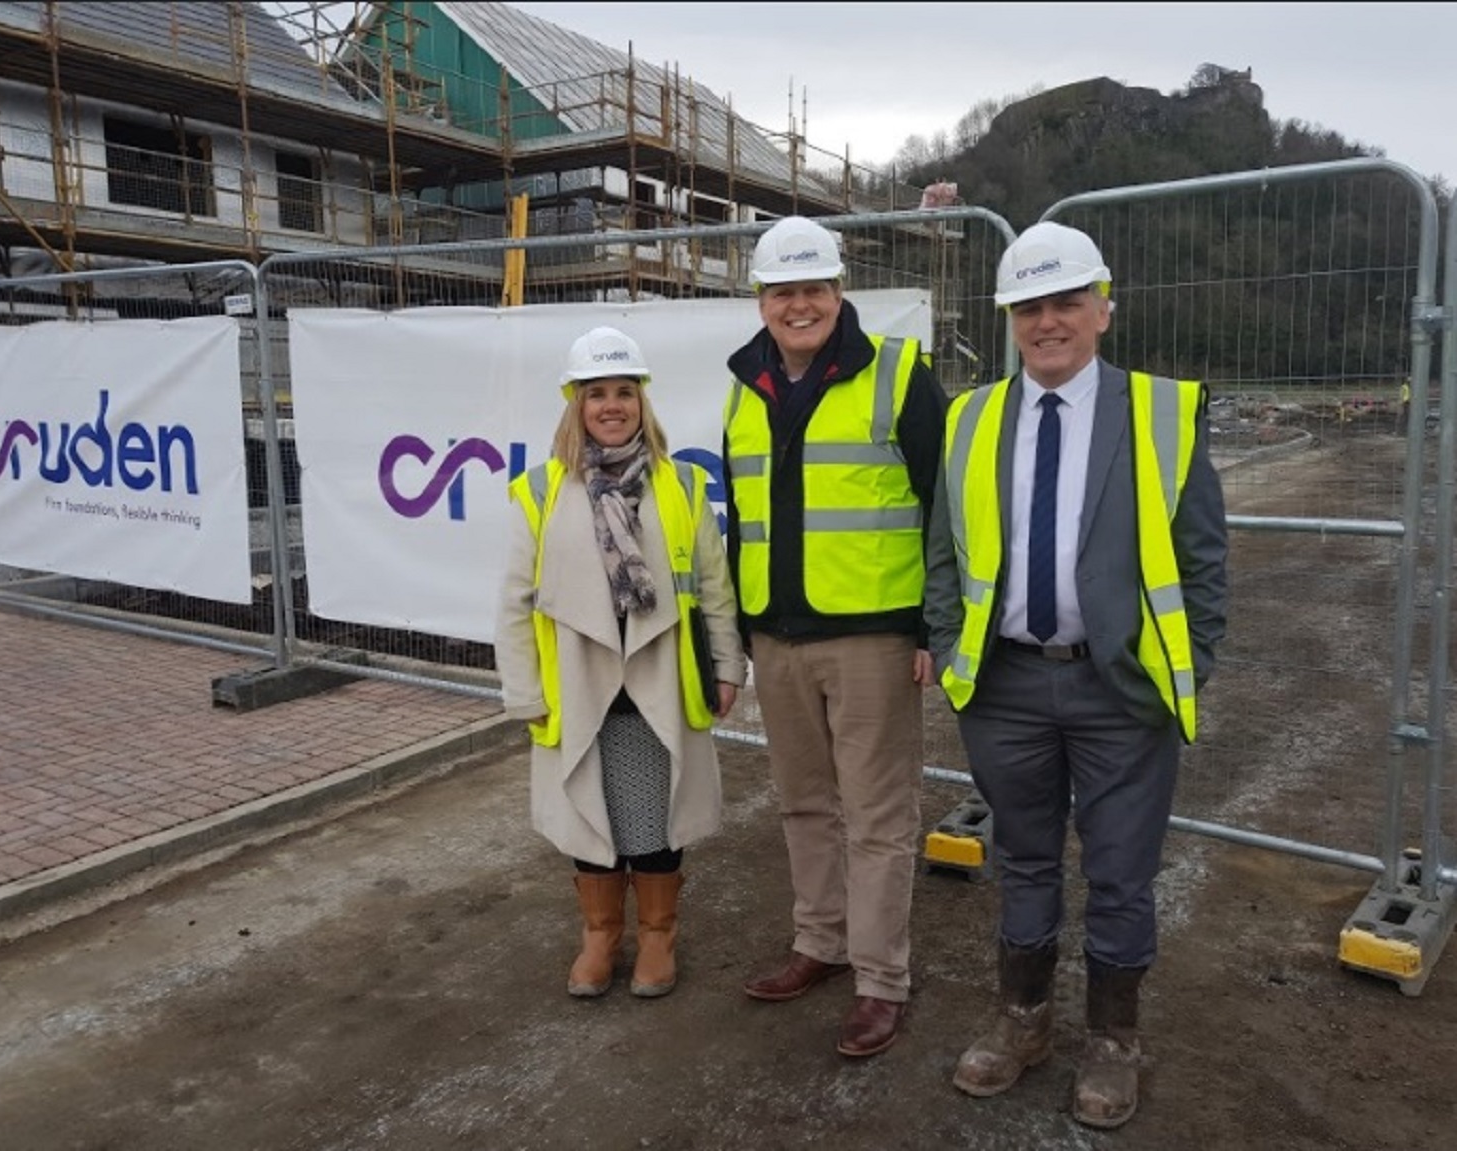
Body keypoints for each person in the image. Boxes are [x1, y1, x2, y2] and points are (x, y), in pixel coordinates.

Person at [925, 221, 1229, 1128]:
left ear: (1103, 308)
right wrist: (951, 652)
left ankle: (1112, 1039)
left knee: (1122, 873)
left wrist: (1188, 662)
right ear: (1010, 319)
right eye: (1029, 308)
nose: (1048, 322)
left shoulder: (1160, 411)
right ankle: (1023, 1022)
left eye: (1065, 303)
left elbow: (1204, 559)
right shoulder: (970, 416)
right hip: (1006, 687)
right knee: (1022, 860)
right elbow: (945, 552)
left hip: (1118, 691)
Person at [723, 216, 950, 1057]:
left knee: (878, 815)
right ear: (761, 300)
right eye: (783, 291)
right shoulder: (745, 385)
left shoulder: (897, 375)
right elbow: (744, 516)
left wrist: (932, 624)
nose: (799, 304)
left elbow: (943, 509)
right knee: (803, 803)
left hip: (872, 641)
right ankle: (816, 942)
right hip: (776, 641)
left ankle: (880, 978)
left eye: (813, 288)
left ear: (838, 291)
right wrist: (742, 633)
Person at [495, 325, 746, 1000]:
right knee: (591, 811)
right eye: (597, 393)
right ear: (575, 403)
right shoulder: (540, 491)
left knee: (657, 815)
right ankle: (600, 933)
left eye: (624, 392)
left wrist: (726, 665)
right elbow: (515, 603)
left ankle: (659, 933)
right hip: (579, 684)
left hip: (661, 675)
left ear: (643, 401)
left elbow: (715, 590)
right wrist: (526, 693)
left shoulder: (683, 485)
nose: (612, 405)